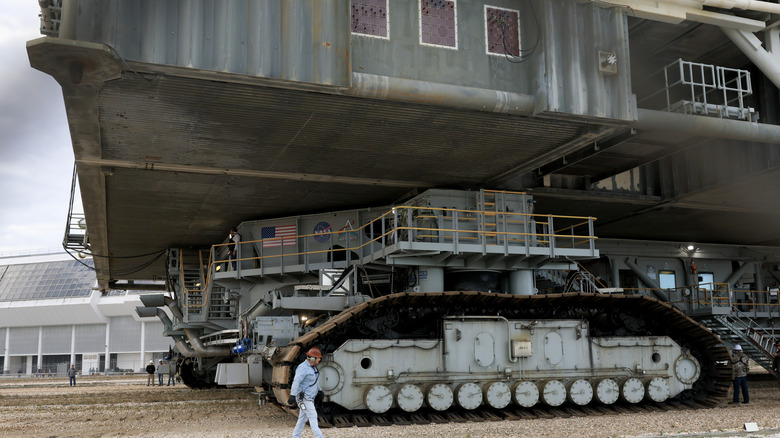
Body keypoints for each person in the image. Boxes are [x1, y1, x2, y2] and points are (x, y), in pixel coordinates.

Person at [287, 347, 324, 438]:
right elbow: (296, 381)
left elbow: (314, 381)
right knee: (313, 416)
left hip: (310, 398)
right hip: (304, 399)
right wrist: (292, 395)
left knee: (302, 419)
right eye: (318, 358)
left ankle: (296, 436)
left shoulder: (313, 368)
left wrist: (320, 390)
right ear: (312, 358)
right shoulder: (302, 368)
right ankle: (319, 436)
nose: (320, 359)